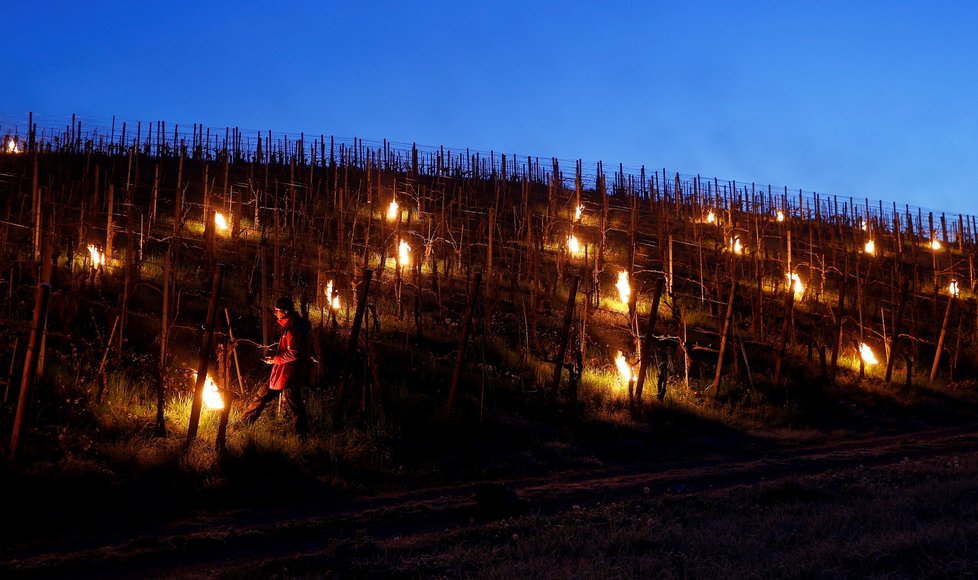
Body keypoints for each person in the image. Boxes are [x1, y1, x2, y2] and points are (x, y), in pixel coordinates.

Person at [241, 296, 310, 434]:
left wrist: (275, 360)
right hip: (288, 373)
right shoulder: (291, 326)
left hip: (287, 374)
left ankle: (243, 424)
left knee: (264, 395)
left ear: (284, 312)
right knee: (294, 404)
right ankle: (302, 434)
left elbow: (294, 353)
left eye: (277, 310)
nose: (275, 313)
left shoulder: (292, 329)